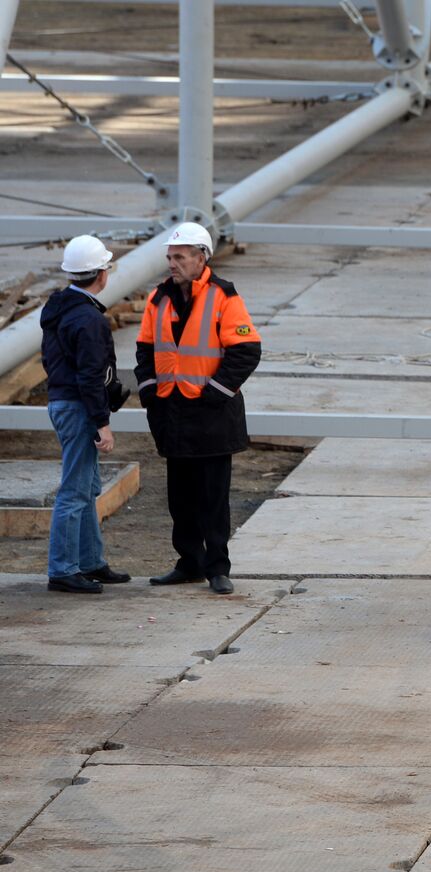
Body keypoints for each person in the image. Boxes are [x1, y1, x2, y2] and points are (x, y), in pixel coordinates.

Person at [134, 223, 261, 595]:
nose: (172, 264)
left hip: (211, 416)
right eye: (170, 257)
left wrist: (214, 394)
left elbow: (246, 350)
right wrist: (149, 392)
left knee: (213, 498)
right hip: (172, 415)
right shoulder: (158, 298)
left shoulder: (224, 297)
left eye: (180, 257)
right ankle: (189, 562)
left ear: (201, 258)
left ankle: (217, 567)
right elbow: (144, 350)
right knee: (181, 498)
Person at [38, 235, 131, 593]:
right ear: (102, 274)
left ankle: (91, 562)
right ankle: (63, 569)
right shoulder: (88, 320)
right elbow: (90, 376)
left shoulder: (60, 307)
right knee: (75, 491)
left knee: (87, 486)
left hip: (64, 402)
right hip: (78, 406)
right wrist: (102, 423)